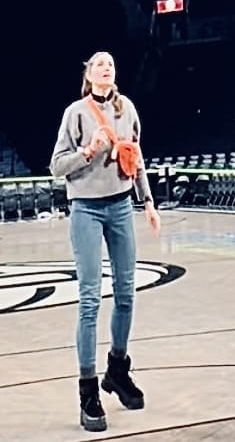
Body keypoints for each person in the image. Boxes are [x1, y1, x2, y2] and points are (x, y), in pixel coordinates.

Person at [50, 50, 161, 434]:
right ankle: (87, 389)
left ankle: (117, 369)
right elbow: (56, 166)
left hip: (119, 207)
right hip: (85, 209)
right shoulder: (74, 113)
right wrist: (87, 151)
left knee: (127, 293)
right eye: (99, 63)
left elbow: (137, 157)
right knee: (90, 299)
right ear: (88, 74)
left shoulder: (127, 108)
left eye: (110, 63)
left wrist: (147, 201)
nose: (106, 67)